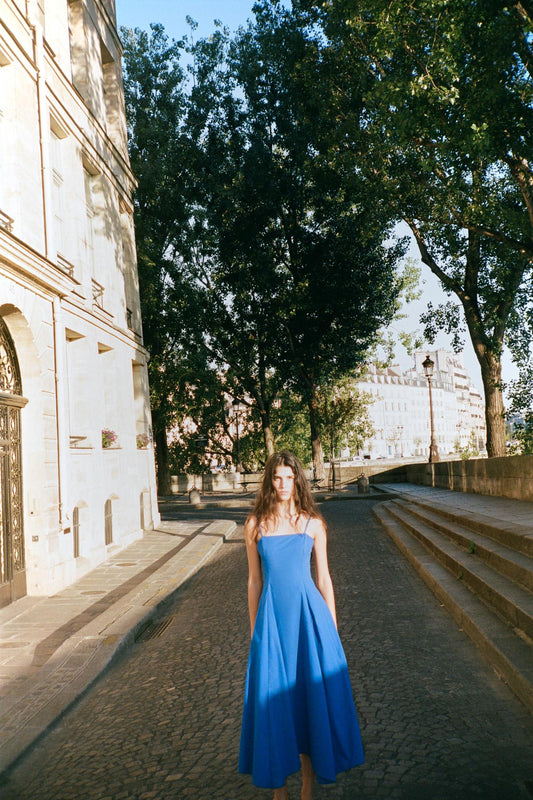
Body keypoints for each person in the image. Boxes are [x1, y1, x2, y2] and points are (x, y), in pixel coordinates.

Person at [239, 451, 364, 800]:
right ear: (270, 481)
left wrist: (332, 633)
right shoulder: (255, 525)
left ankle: (307, 789)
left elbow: (324, 579)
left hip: (310, 622)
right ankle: (280, 792)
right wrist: (255, 632)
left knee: (309, 705)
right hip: (273, 623)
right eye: (276, 478)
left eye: (288, 478)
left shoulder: (313, 524)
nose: (282, 484)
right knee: (273, 706)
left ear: (297, 481)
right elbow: (253, 582)